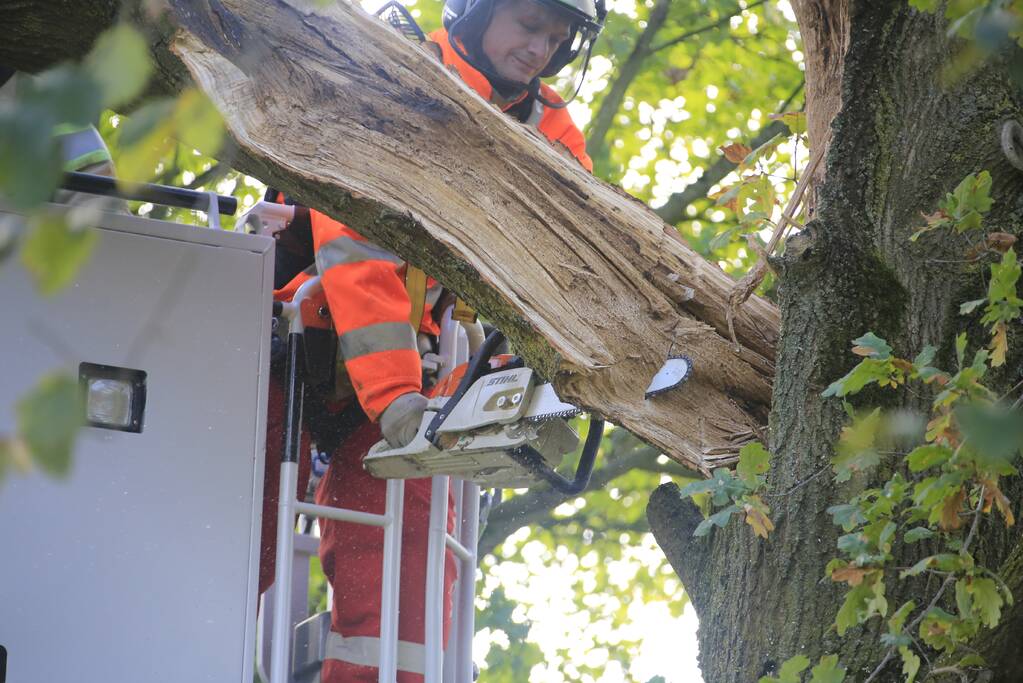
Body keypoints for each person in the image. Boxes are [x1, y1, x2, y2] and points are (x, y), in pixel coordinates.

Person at [260, 0, 605, 680]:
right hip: (291, 342)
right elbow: (355, 243)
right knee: (244, 535)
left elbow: (567, 269)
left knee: (405, 572)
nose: (540, 50)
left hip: (413, 363)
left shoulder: (551, 133)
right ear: (475, 14)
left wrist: (519, 385)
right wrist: (394, 399)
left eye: (557, 39)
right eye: (529, 26)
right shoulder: (396, 77)